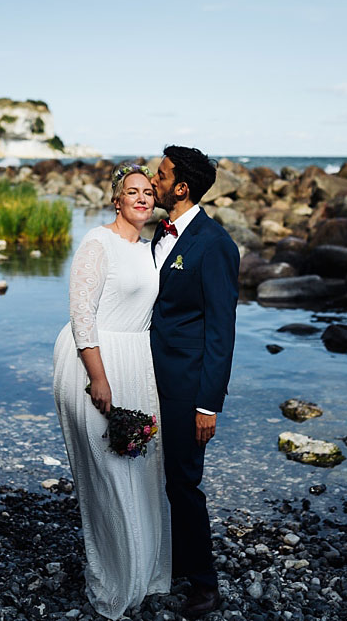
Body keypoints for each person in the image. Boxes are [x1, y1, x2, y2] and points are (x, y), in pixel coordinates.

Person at [52, 163, 171, 619]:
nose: (142, 198)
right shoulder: (96, 242)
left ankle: (145, 573)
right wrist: (98, 378)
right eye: (132, 192)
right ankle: (113, 578)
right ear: (115, 200)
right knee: (108, 474)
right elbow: (82, 313)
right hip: (94, 359)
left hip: (137, 361)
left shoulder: (151, 248)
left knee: (142, 469)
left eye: (148, 191)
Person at [150, 145, 240, 618]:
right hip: (147, 378)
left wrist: (209, 403)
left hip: (188, 387)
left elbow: (221, 330)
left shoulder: (216, 244)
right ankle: (173, 563)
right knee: (158, 477)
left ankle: (204, 585)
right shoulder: (158, 237)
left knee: (184, 482)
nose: (154, 178)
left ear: (181, 187)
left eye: (161, 174)